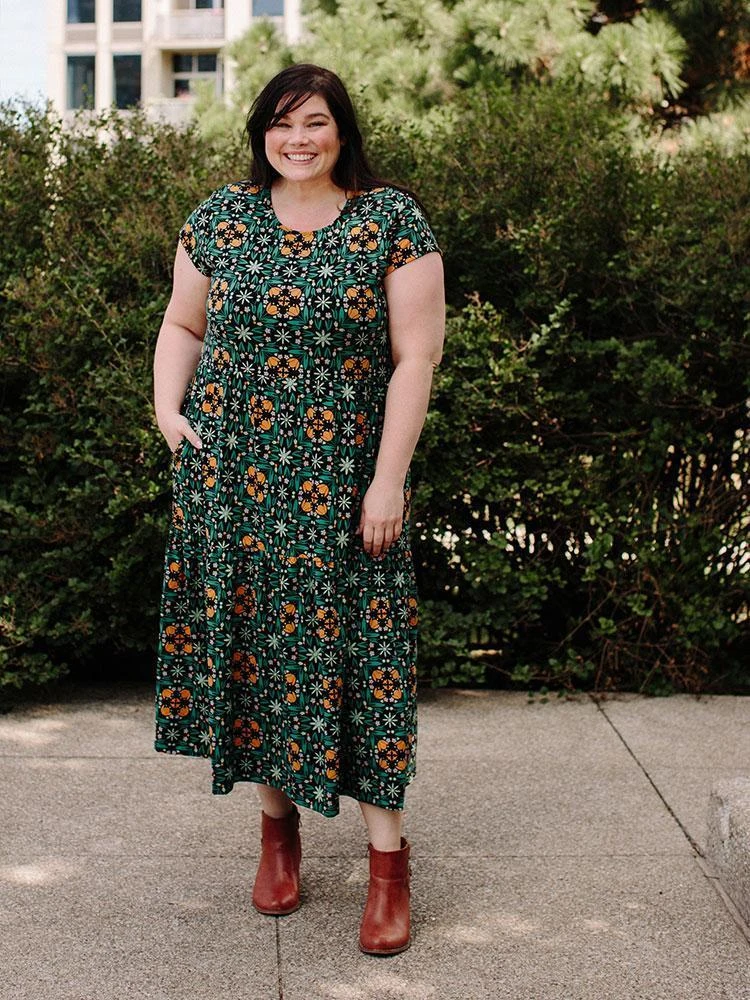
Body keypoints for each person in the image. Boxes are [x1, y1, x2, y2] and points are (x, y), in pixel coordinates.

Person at [152, 63, 445, 956]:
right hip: (233, 479)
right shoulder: (220, 219)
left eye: (314, 121)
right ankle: (277, 839)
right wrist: (167, 412)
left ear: (341, 129)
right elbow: (183, 325)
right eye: (281, 123)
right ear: (262, 135)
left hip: (346, 483)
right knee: (259, 656)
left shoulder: (391, 222)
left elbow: (417, 358)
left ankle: (388, 868)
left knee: (367, 660)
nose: (298, 138)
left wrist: (388, 480)